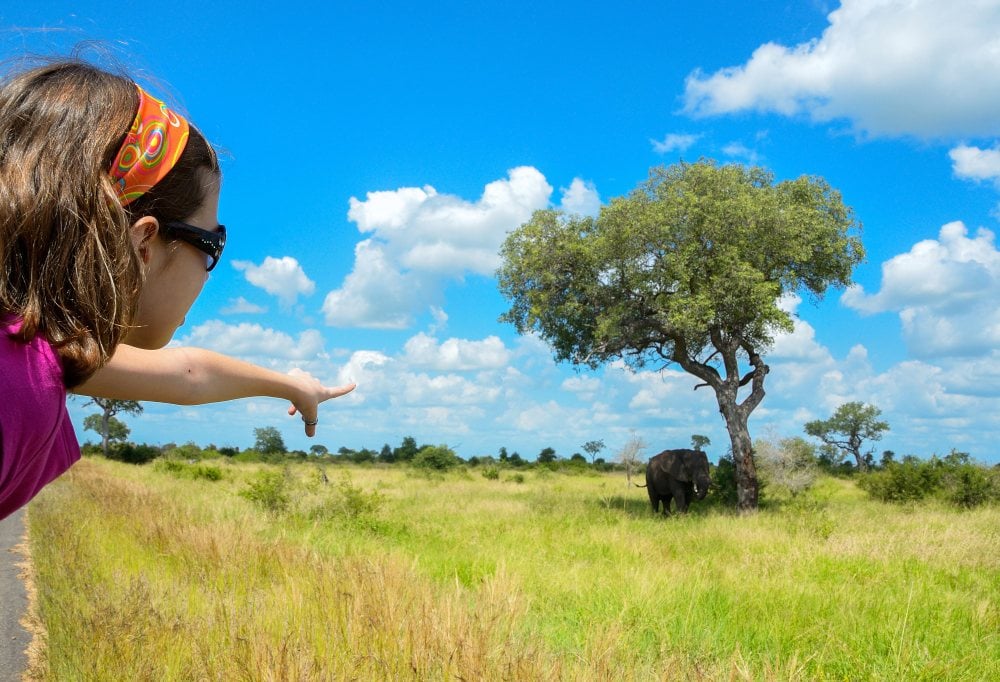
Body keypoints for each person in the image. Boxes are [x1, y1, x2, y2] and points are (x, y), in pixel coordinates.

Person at [0, 59, 356, 520]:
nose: (210, 271)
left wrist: (295, 385)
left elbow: (188, 373)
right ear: (143, 242)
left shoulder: (29, 347)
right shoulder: (16, 389)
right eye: (212, 243)